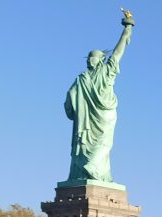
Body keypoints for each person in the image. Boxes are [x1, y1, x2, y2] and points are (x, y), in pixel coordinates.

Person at [63, 11, 135, 184]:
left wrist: (73, 109)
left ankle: (86, 170)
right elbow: (119, 51)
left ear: (95, 60)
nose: (89, 61)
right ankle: (93, 167)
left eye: (90, 58)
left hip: (87, 120)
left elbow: (69, 98)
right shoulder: (106, 71)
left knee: (86, 145)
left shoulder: (82, 79)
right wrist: (128, 29)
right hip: (106, 115)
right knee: (104, 144)